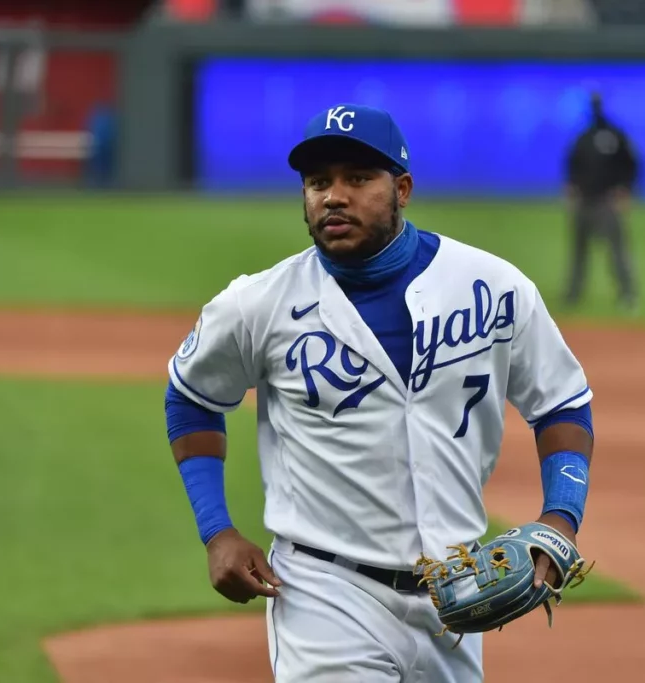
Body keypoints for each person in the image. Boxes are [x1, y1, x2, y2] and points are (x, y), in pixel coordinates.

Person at [164, 103, 596, 682]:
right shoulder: (257, 304)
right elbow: (191, 397)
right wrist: (217, 531)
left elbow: (562, 402)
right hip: (323, 594)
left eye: (358, 178)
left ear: (403, 189)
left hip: (457, 598)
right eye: (318, 182)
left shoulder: (493, 287)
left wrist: (562, 516)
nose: (333, 197)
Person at [563, 90, 641, 312]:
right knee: (579, 252)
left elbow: (631, 164)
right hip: (585, 200)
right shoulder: (584, 137)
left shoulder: (615, 136)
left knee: (617, 251)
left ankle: (627, 294)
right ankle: (573, 294)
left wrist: (625, 189)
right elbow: (572, 165)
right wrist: (571, 188)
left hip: (607, 200)